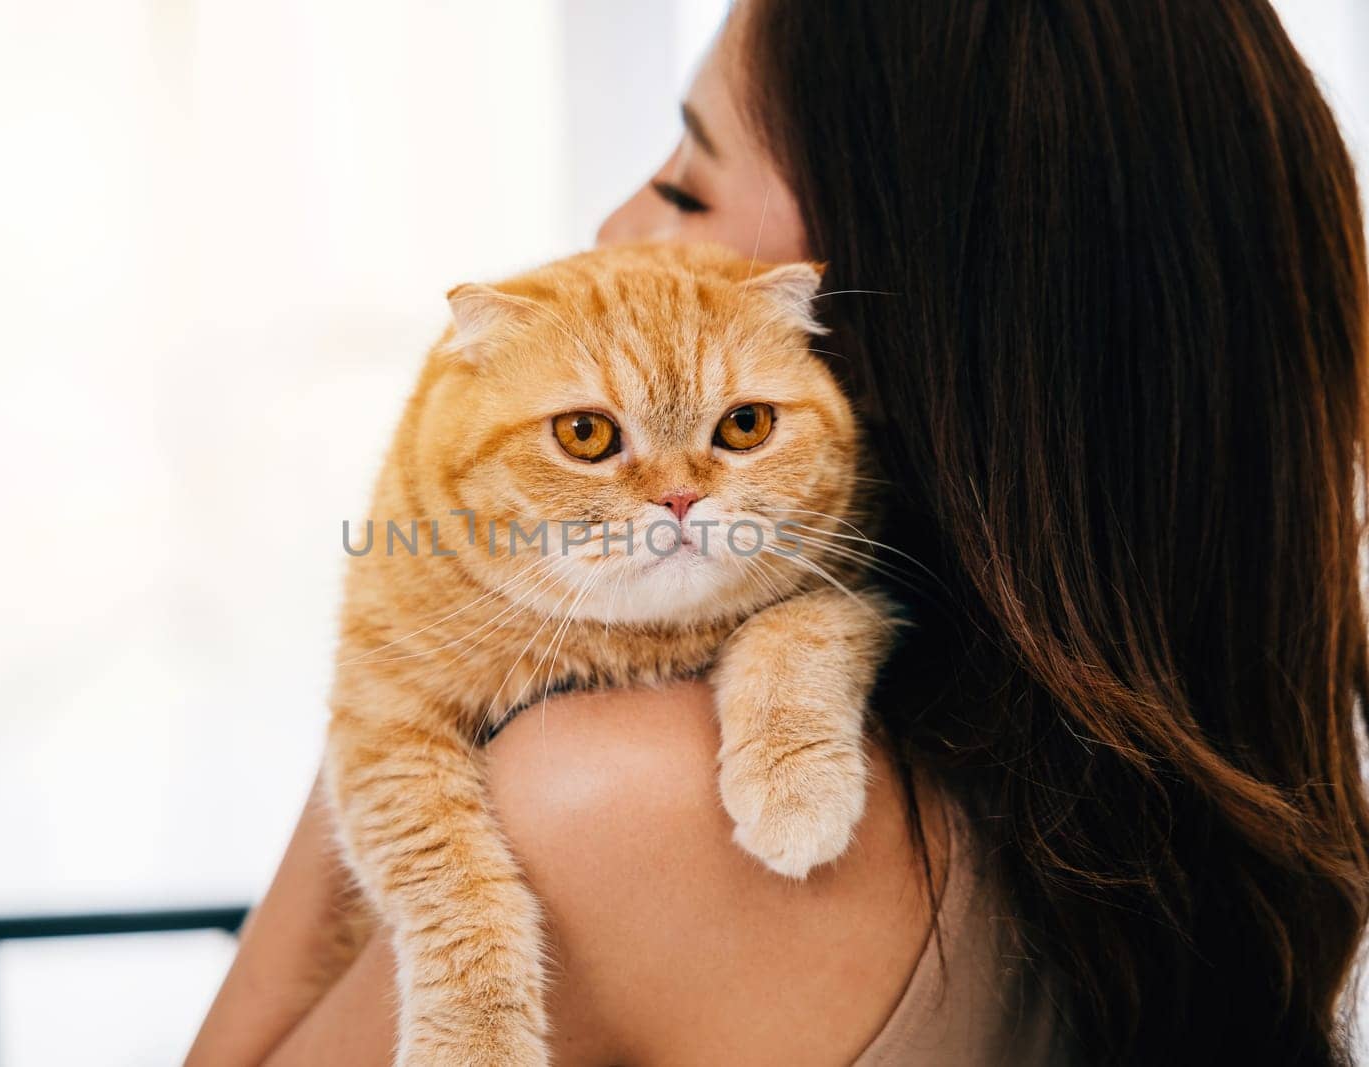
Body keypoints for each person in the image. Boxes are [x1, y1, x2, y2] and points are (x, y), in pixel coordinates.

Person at [189, 1, 1369, 1063]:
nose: (613, 223)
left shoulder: (610, 803)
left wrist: (414, 599)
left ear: (917, 305)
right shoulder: (1185, 826)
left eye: (689, 187)